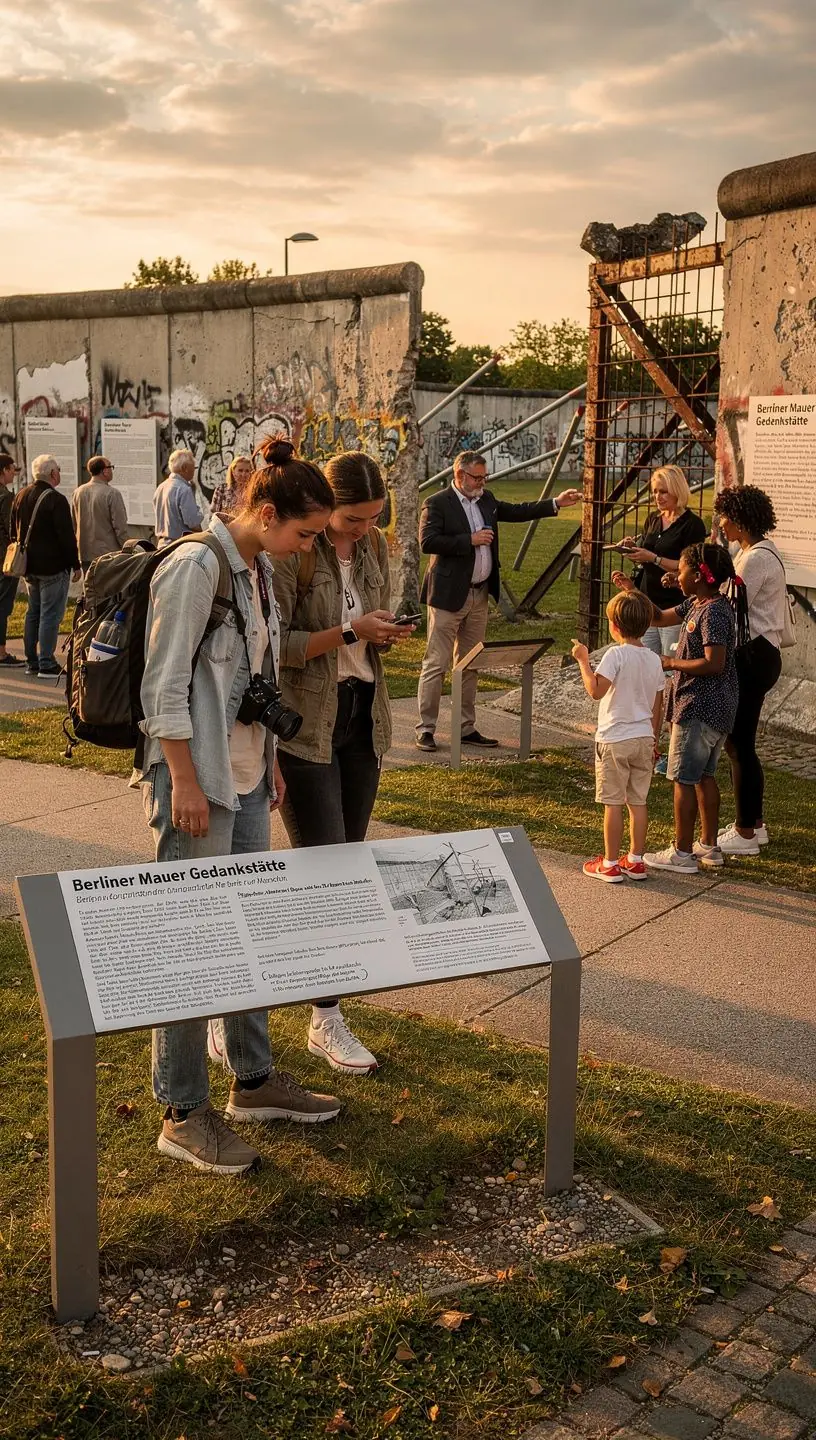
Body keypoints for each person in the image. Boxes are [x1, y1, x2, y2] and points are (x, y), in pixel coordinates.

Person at [132, 445, 341, 1175]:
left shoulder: (258, 570)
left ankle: (252, 1081)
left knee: (248, 932)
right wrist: (184, 780)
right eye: (304, 533)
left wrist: (271, 760)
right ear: (267, 513)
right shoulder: (197, 565)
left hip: (246, 775)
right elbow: (162, 686)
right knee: (192, 943)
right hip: (199, 781)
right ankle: (182, 1111)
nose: (307, 548)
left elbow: (256, 675)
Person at [274, 446, 415, 1076]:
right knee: (324, 875)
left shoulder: (375, 546)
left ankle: (317, 1011)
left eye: (374, 518)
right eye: (353, 519)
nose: (364, 529)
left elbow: (368, 625)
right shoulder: (295, 550)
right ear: (326, 508)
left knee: (346, 868)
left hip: (362, 715)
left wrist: (385, 631)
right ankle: (311, 1014)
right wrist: (354, 632)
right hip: (307, 724)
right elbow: (278, 645)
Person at [416, 451, 581, 750]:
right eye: (477, 477)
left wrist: (555, 503)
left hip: (479, 594)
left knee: (470, 663)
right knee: (437, 663)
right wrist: (469, 540)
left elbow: (516, 511)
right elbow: (427, 542)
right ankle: (426, 729)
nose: (483, 483)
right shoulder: (437, 502)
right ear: (460, 475)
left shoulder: (486, 499)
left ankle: (465, 727)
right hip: (447, 596)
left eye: (485, 477)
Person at [613, 543, 748, 874]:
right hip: (712, 707)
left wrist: (671, 662)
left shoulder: (714, 612)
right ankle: (708, 845)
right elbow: (659, 618)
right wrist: (632, 592)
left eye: (682, 570)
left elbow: (714, 663)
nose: (677, 575)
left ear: (699, 576)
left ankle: (682, 853)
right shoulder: (698, 603)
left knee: (683, 779)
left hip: (700, 708)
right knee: (704, 776)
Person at [713, 484, 788, 856]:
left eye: (724, 518)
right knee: (742, 743)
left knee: (738, 744)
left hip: (753, 656)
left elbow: (729, 603)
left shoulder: (754, 559)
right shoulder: (761, 552)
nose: (721, 524)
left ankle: (745, 833)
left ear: (740, 521)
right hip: (763, 653)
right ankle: (754, 824)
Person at [571, 590, 665, 882]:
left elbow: (595, 690)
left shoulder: (616, 654)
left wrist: (583, 661)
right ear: (647, 625)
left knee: (613, 802)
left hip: (614, 738)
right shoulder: (654, 659)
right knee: (638, 801)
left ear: (614, 626)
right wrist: (654, 739)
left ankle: (610, 863)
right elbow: (658, 704)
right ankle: (635, 860)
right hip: (644, 738)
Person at [620, 466, 708, 657]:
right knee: (645, 660)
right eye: (655, 492)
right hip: (647, 602)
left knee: (670, 662)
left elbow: (689, 566)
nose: (657, 497)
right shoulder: (653, 519)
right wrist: (632, 548)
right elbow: (646, 551)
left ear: (677, 491)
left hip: (674, 604)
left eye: (663, 492)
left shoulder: (692, 525)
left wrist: (654, 558)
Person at [10, 453, 79, 677]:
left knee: (33, 612)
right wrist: (75, 564)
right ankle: (47, 662)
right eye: (58, 469)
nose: (59, 473)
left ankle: (32, 661)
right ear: (52, 473)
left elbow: (13, 530)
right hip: (53, 567)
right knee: (50, 614)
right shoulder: (56, 500)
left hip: (29, 565)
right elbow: (66, 536)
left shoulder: (21, 495)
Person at [71, 455, 129, 572]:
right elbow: (120, 527)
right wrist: (127, 549)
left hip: (85, 553)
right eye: (110, 467)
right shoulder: (112, 493)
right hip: (108, 555)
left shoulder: (78, 492)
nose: (111, 470)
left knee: (89, 583)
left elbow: (74, 523)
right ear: (104, 471)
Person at [0, 453, 23, 666]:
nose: (14, 474)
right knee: (3, 605)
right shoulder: (6, 497)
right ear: (5, 470)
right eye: (12, 469)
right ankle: (1, 653)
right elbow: (11, 529)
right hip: (4, 558)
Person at [153, 449, 202, 546]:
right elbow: (192, 522)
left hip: (162, 544)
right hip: (180, 545)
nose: (194, 471)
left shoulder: (160, 487)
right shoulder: (184, 489)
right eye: (193, 467)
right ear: (184, 468)